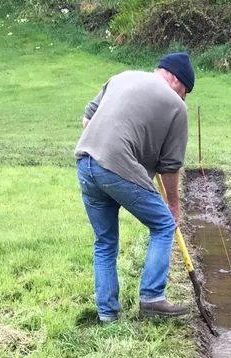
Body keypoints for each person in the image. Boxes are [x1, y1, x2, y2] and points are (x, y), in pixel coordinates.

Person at [75, 53, 194, 322]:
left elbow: (86, 121)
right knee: (164, 225)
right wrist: (173, 205)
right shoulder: (176, 106)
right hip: (116, 166)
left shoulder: (122, 77)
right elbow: (170, 167)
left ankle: (107, 315)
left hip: (85, 163)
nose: (183, 98)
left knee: (105, 242)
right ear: (175, 79)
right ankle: (152, 298)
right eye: (185, 91)